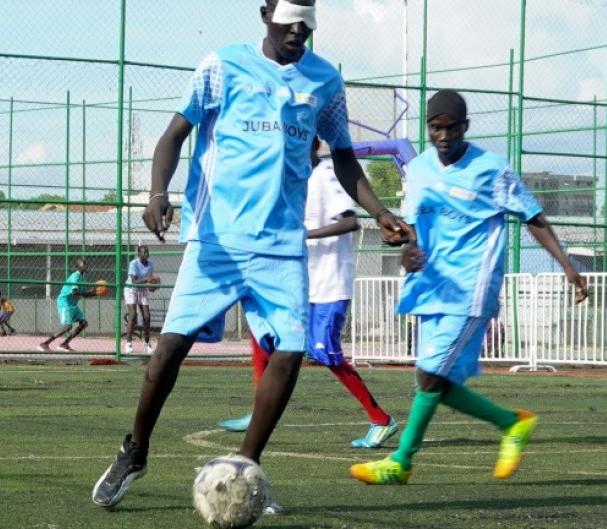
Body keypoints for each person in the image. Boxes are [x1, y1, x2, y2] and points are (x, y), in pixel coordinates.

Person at [92, 0, 413, 508]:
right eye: (289, 19)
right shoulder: (222, 66)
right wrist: (158, 193)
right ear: (265, 14)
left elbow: (345, 156)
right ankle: (135, 451)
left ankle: (244, 470)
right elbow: (174, 135)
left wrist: (379, 210)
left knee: (289, 352)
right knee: (168, 350)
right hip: (216, 240)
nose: (299, 30)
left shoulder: (325, 81)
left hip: (281, 246)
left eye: (307, 20)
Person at [349, 89, 589, 486]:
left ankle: (401, 461)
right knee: (434, 383)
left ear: (466, 127)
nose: (443, 136)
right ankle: (511, 423)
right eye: (435, 128)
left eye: (451, 128)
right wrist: (405, 248)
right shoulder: (421, 169)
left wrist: (567, 265)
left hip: (471, 288)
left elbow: (533, 215)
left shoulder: (491, 169)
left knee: (430, 376)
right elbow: (412, 229)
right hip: (430, 286)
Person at [218, 137, 399, 450]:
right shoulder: (292, 177)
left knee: (323, 351)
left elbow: (351, 222)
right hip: (303, 282)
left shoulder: (328, 175)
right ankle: (261, 407)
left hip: (331, 282)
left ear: (312, 141)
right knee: (262, 330)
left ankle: (381, 420)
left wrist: (304, 234)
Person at [37, 259, 97, 351]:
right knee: (67, 326)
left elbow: (83, 294)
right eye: (83, 264)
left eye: (86, 264)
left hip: (73, 304)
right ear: (78, 267)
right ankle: (44, 344)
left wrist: (94, 293)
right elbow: (74, 292)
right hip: (65, 303)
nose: (85, 266)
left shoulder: (82, 278)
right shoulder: (75, 276)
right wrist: (88, 291)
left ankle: (64, 344)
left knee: (83, 323)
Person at [124, 245, 156, 354]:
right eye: (144, 252)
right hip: (131, 290)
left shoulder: (150, 265)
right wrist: (147, 279)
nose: (146, 254)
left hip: (142, 291)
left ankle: (147, 343)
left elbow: (150, 281)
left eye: (147, 252)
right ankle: (128, 343)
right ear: (139, 254)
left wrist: (153, 285)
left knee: (147, 317)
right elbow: (134, 282)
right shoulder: (133, 264)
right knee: (133, 315)